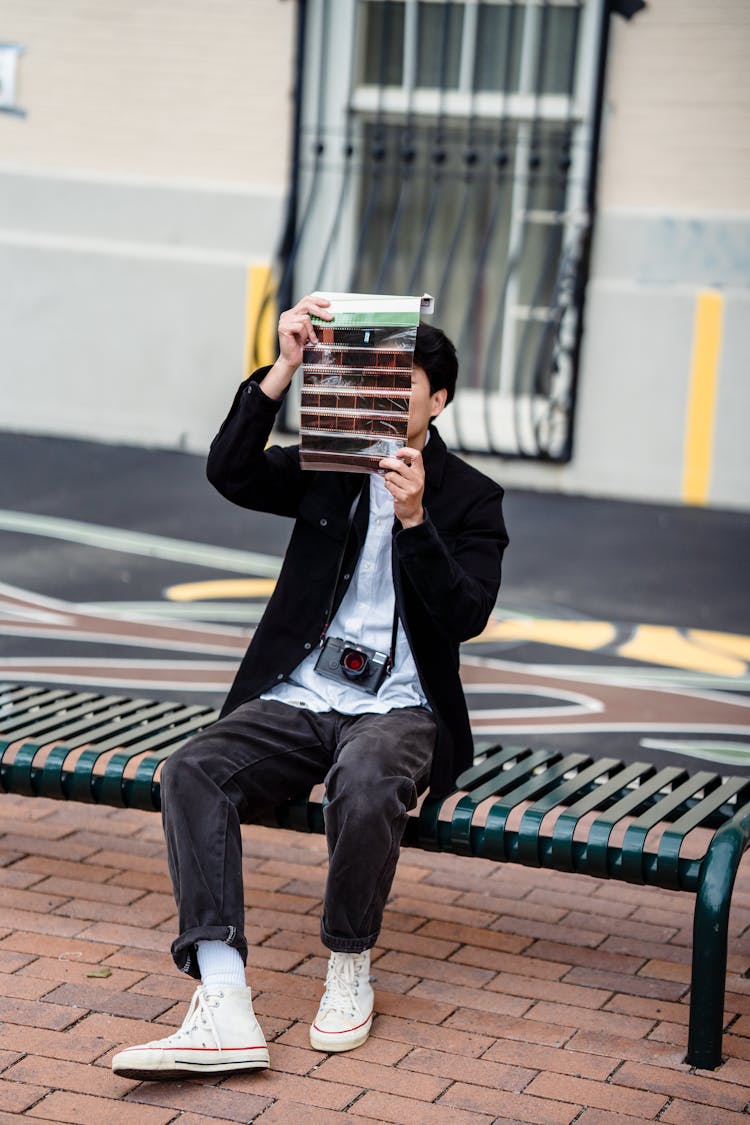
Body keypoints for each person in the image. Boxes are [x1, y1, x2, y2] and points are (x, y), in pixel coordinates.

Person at [112, 294, 508, 1080]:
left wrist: (417, 520)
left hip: (400, 705)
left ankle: (349, 960)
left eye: (408, 387)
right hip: (301, 694)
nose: (389, 401)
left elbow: (467, 616)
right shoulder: (327, 461)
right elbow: (228, 470)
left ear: (441, 400)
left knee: (365, 782)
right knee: (192, 769)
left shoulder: (471, 497)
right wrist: (286, 364)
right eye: (378, 383)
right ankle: (222, 995)